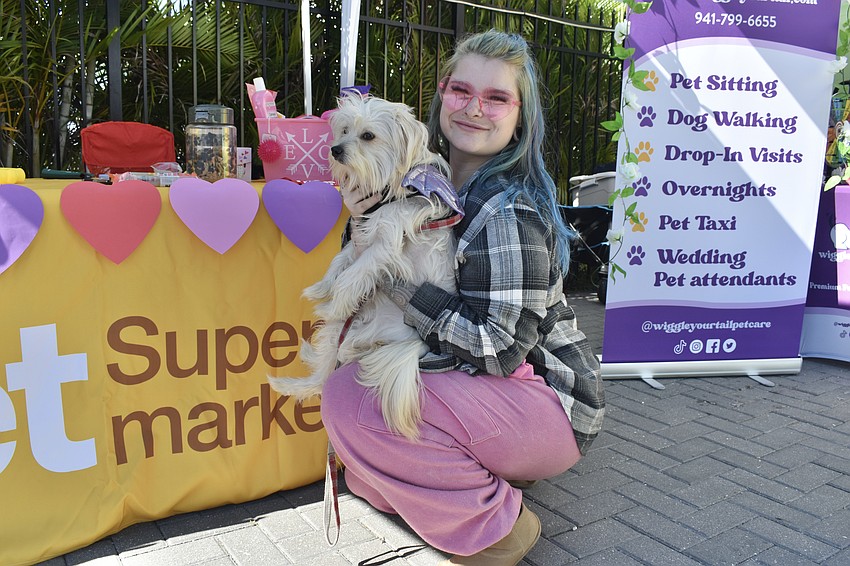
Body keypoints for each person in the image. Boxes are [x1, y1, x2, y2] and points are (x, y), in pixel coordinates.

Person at [323, 29, 605, 566]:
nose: (475, 108)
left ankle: (502, 531)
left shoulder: (507, 210)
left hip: (548, 404)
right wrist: (363, 220)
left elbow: (500, 349)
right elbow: (365, 271)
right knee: (366, 462)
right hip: (494, 394)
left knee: (354, 400)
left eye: (497, 97)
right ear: (441, 97)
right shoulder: (423, 183)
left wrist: (400, 291)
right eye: (461, 91)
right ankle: (474, 473)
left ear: (520, 116)